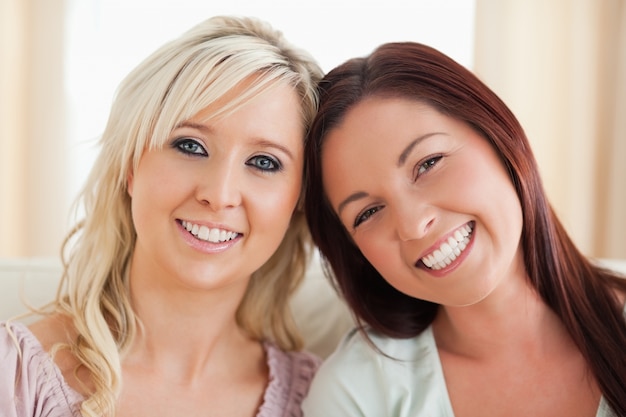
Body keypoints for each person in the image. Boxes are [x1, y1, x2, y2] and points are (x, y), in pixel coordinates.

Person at [0, 15, 323, 417]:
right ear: (132, 165)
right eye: (190, 145)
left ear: (298, 201)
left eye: (264, 161)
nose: (219, 195)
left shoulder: (323, 399)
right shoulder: (14, 377)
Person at [301, 41, 626, 416]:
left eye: (428, 163)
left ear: (499, 137)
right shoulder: (355, 393)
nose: (413, 224)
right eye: (368, 211)